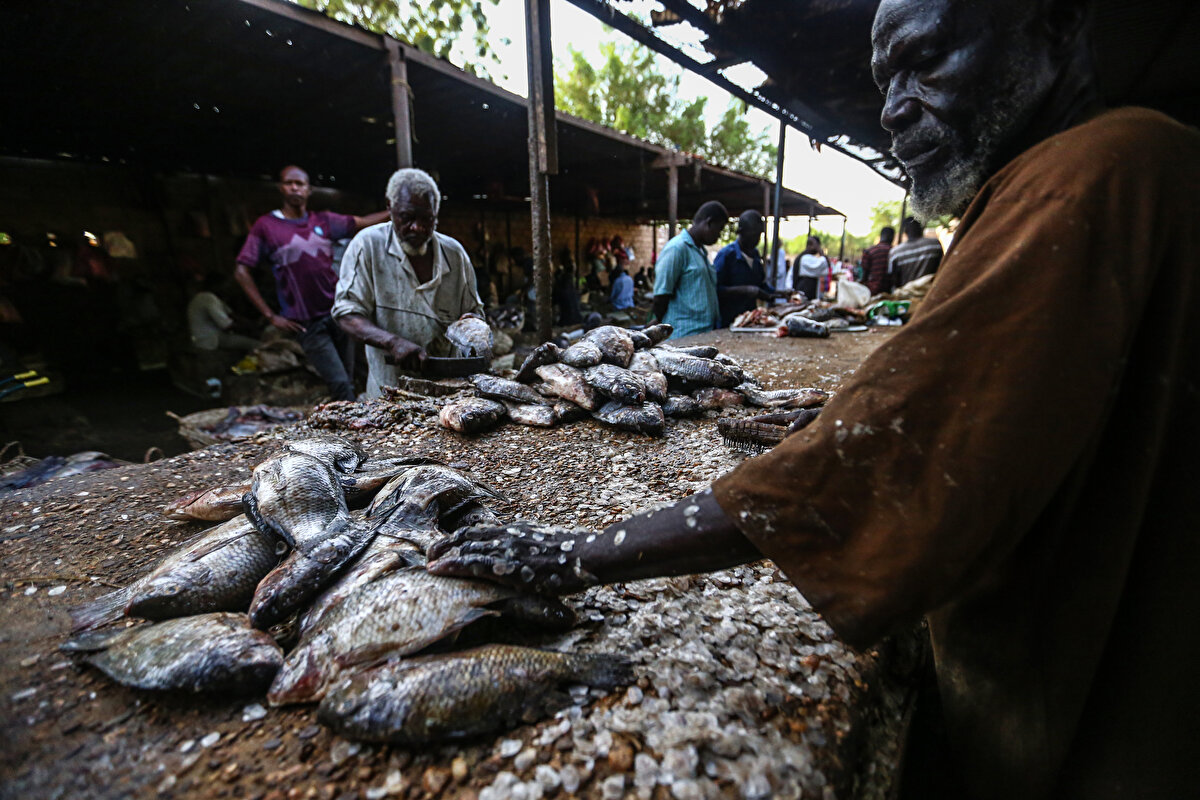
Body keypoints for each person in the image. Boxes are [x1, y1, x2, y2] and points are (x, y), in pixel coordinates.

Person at [425, 0, 1200, 798]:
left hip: (1088, 712)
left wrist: (575, 554)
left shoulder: (1093, 172)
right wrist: (854, 405)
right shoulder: (1110, 163)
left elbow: (890, 459)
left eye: (927, 60)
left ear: (1055, 26)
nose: (895, 108)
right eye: (885, 79)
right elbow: (992, 385)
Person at [234, 165, 388, 400]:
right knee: (339, 383)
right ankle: (350, 432)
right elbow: (241, 271)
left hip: (339, 314)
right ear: (281, 187)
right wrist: (270, 316)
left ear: (309, 190)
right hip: (307, 323)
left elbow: (362, 222)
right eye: (289, 183)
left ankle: (347, 429)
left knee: (347, 379)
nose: (295, 188)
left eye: (300, 184)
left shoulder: (323, 220)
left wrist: (394, 211)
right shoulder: (266, 226)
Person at [332, 168, 484, 398]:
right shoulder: (367, 246)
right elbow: (347, 313)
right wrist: (392, 342)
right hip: (389, 392)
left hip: (450, 393)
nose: (417, 227)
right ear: (390, 208)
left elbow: (474, 313)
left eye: (426, 219)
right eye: (407, 217)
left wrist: (472, 325)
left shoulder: (455, 254)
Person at [651, 202, 728, 339]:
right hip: (683, 334)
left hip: (704, 332)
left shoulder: (700, 251)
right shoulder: (677, 249)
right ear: (708, 223)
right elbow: (661, 296)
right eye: (719, 229)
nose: (719, 235)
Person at [711, 210, 778, 327]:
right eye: (753, 235)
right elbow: (716, 289)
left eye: (759, 235)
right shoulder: (727, 255)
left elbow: (761, 286)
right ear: (740, 232)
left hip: (750, 320)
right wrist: (745, 290)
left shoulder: (756, 255)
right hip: (728, 322)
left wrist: (779, 293)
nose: (757, 239)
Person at [888, 217, 944, 288]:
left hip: (906, 295)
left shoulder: (895, 252)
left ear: (905, 232)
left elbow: (893, 279)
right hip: (931, 290)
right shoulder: (934, 244)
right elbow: (943, 266)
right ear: (921, 228)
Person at [790, 236, 830, 302]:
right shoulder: (806, 258)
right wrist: (819, 250)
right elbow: (823, 263)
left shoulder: (806, 256)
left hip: (807, 290)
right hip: (805, 290)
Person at [860, 225, 895, 295]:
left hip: (871, 291)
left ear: (881, 236)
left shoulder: (870, 251)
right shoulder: (895, 251)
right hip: (889, 293)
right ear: (892, 237)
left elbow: (864, 276)